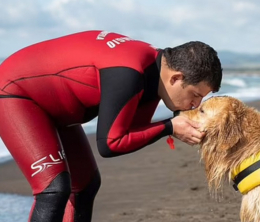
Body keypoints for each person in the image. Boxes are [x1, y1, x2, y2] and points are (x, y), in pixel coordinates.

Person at [0, 30, 222, 222]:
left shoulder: (155, 72)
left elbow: (134, 132)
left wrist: (176, 126)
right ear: (176, 78)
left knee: (85, 185)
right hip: (13, 92)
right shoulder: (129, 74)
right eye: (195, 95)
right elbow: (110, 143)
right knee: (54, 189)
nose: (196, 104)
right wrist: (169, 127)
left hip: (55, 105)